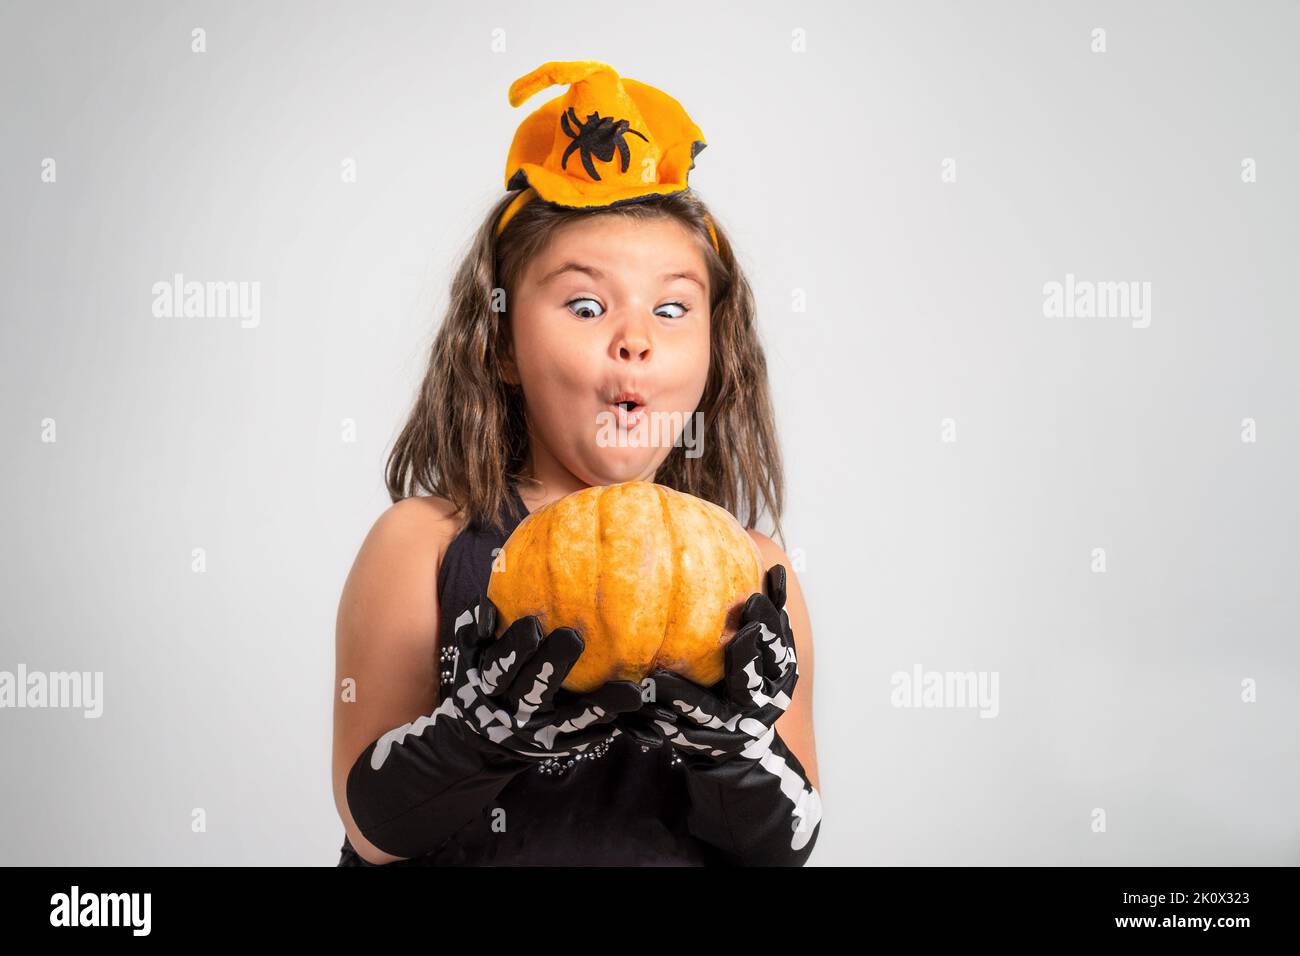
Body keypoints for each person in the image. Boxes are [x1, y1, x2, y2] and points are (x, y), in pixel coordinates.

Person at [332, 60, 822, 866]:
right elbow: (371, 831)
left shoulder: (755, 576)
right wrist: (477, 737)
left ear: (713, 352)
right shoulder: (421, 544)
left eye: (672, 308)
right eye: (587, 305)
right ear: (499, 346)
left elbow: (782, 851)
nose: (636, 336)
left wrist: (734, 748)